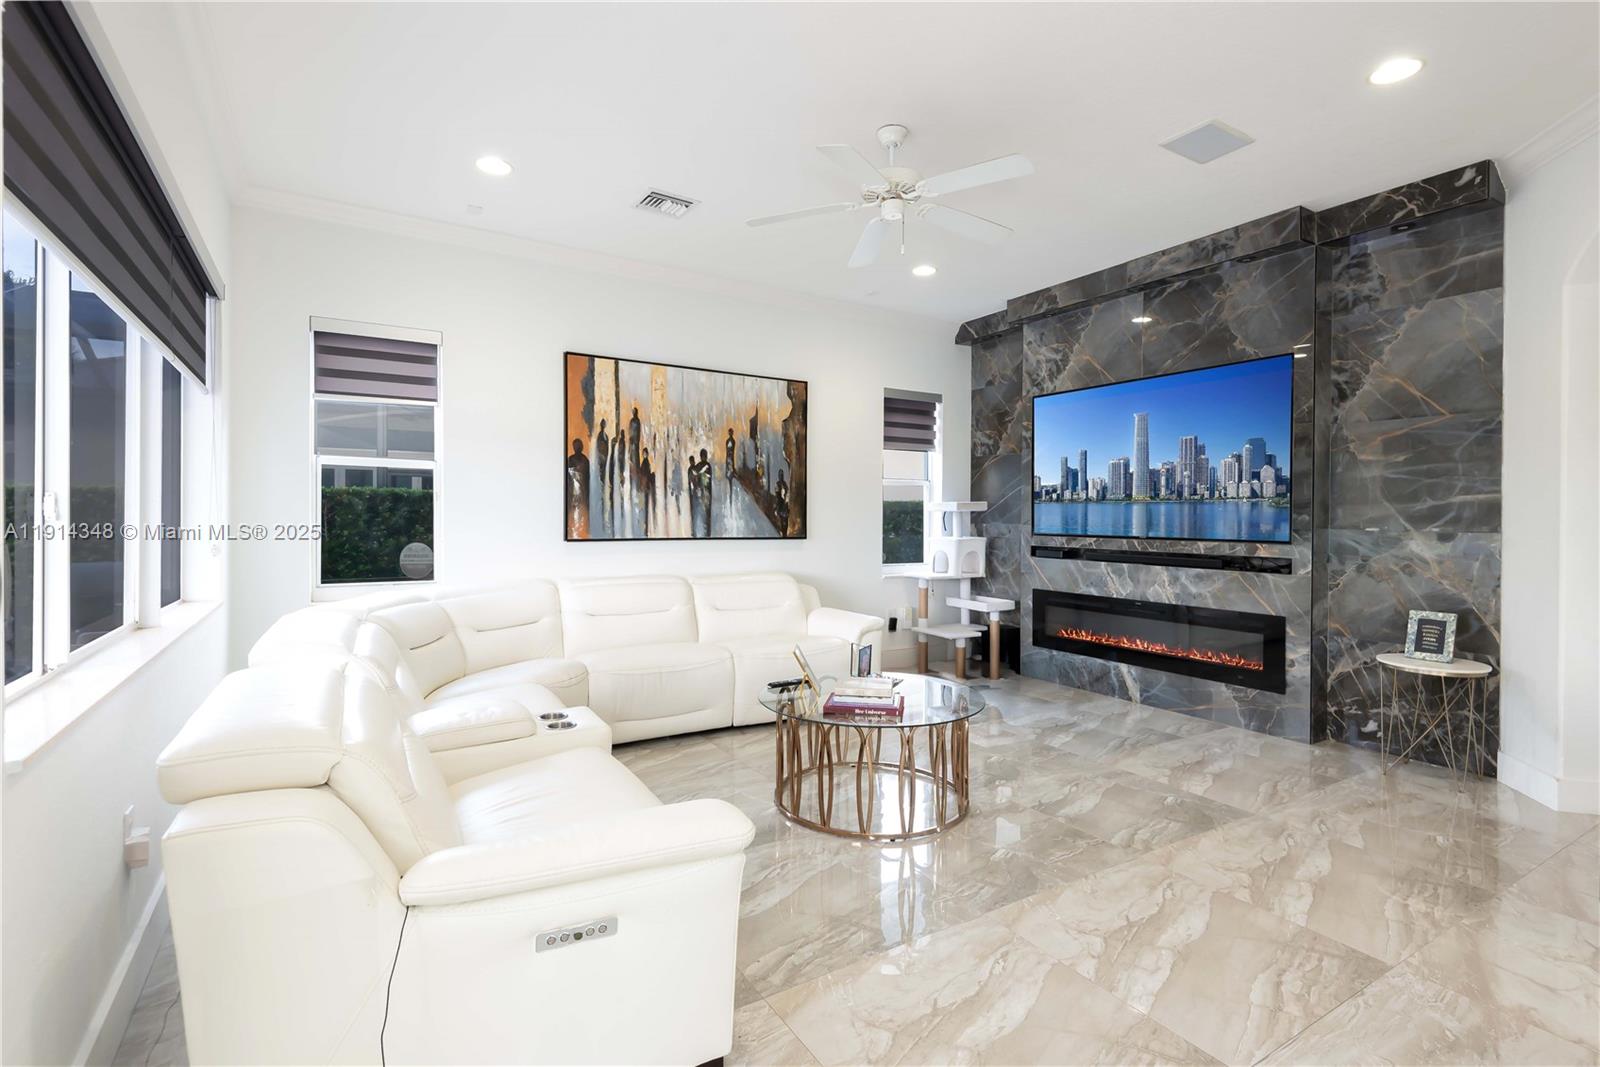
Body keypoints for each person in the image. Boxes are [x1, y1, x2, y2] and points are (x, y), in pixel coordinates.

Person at [565, 438, 590, 538]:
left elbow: (588, 478)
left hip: (582, 493)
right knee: (572, 516)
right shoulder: (570, 460)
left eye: (579, 446)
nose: (577, 448)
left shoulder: (585, 460)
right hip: (572, 493)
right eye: (576, 446)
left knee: (582, 516)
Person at [628, 405, 642, 480]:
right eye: (633, 412)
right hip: (632, 442)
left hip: (635, 443)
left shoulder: (637, 421)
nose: (634, 413)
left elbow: (638, 432)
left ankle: (636, 471)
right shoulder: (632, 421)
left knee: (635, 458)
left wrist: (635, 441)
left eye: (634, 412)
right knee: (632, 458)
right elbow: (630, 431)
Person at [594, 419, 610, 483]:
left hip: (604, 455)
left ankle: (602, 483)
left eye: (604, 424)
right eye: (602, 424)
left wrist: (606, 455)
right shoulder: (600, 435)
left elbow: (607, 446)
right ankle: (601, 483)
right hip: (601, 455)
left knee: (603, 470)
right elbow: (598, 446)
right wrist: (600, 454)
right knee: (601, 470)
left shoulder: (605, 435)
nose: (603, 426)